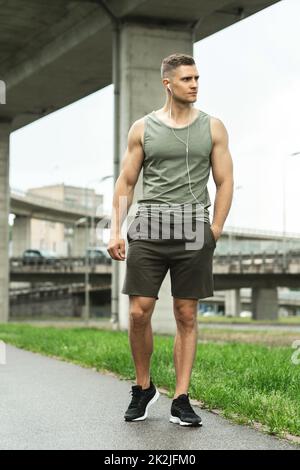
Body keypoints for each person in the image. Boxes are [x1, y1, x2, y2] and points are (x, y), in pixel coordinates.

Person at [107, 53, 233, 426]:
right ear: (168, 84)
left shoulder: (214, 128)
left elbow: (224, 181)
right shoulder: (143, 128)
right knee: (138, 311)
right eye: (187, 79)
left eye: (197, 78)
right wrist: (115, 228)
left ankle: (181, 398)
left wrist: (215, 229)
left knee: (186, 314)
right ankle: (143, 388)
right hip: (148, 225)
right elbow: (126, 181)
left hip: (194, 227)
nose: (194, 84)